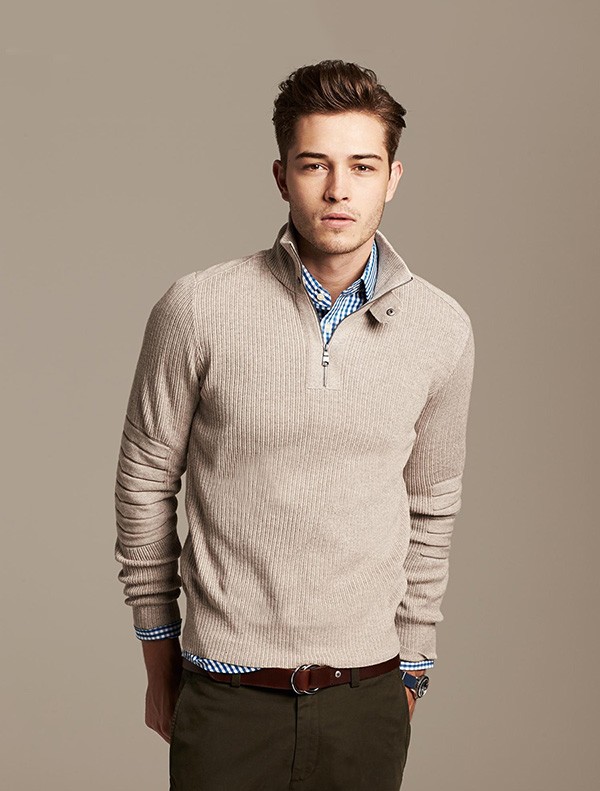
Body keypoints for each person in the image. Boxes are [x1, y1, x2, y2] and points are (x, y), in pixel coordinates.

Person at [114, 59, 475, 791]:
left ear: (392, 178)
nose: (339, 189)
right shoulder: (199, 308)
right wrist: (159, 656)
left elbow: (432, 503)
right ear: (282, 177)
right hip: (226, 694)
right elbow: (144, 484)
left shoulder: (442, 329)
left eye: (361, 166)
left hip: (368, 698)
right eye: (315, 165)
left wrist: (413, 669)